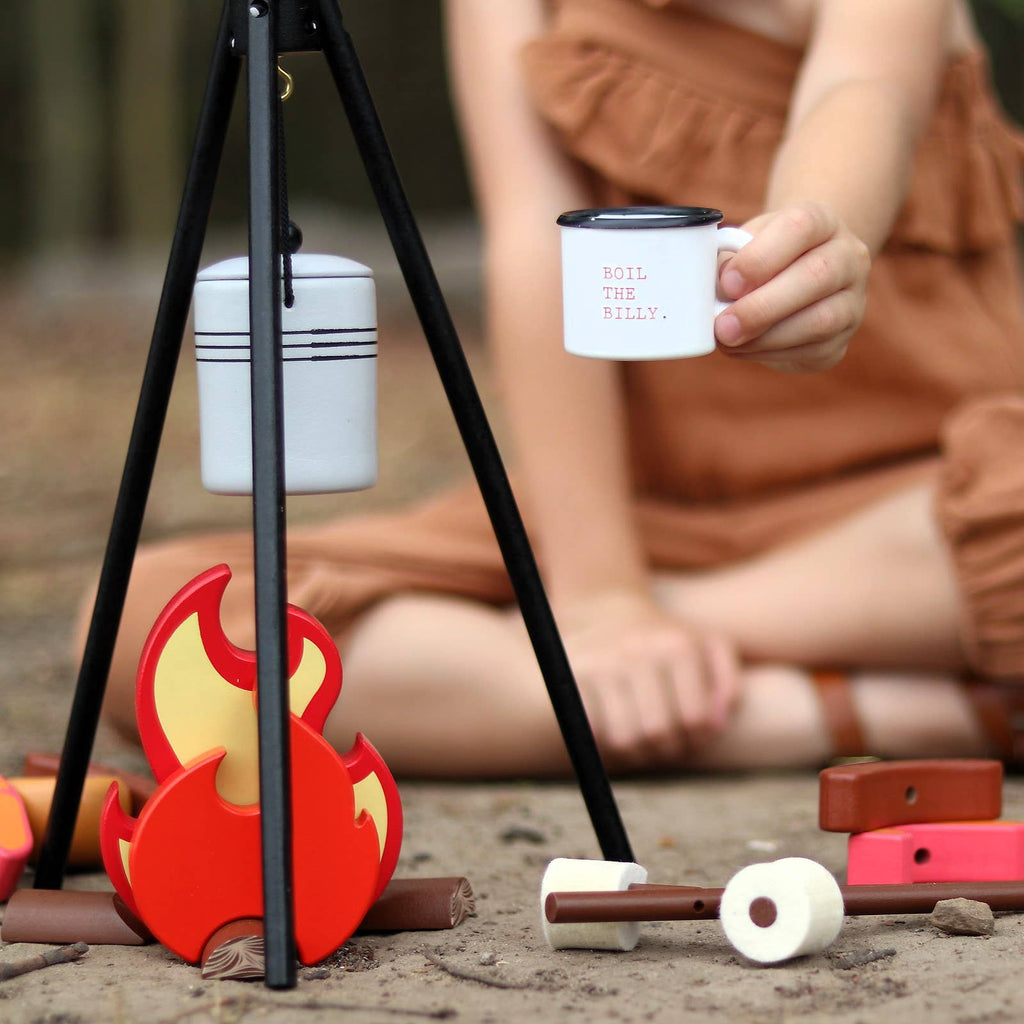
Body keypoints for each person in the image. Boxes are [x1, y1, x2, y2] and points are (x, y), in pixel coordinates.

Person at [85, 0, 1024, 777]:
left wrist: (820, 233)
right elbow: (536, 245)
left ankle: (611, 661)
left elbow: (861, 94)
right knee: (153, 630)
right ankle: (838, 709)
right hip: (627, 506)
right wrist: (601, 591)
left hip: (929, 504)